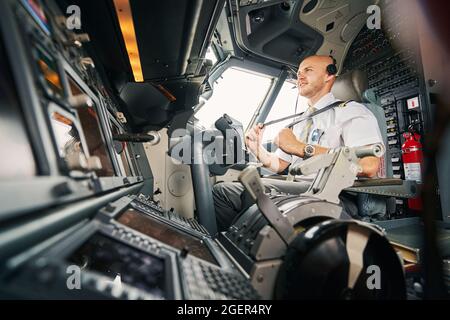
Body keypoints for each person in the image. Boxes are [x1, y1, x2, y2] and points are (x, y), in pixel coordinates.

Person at [213, 55, 384, 231]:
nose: (300, 77)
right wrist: (258, 150)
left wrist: (300, 147)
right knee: (225, 190)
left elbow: (369, 165)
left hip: (331, 192)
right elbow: (280, 165)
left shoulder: (352, 112)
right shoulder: (302, 119)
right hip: (299, 186)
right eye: (299, 72)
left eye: (308, 70)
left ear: (329, 75)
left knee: (223, 194)